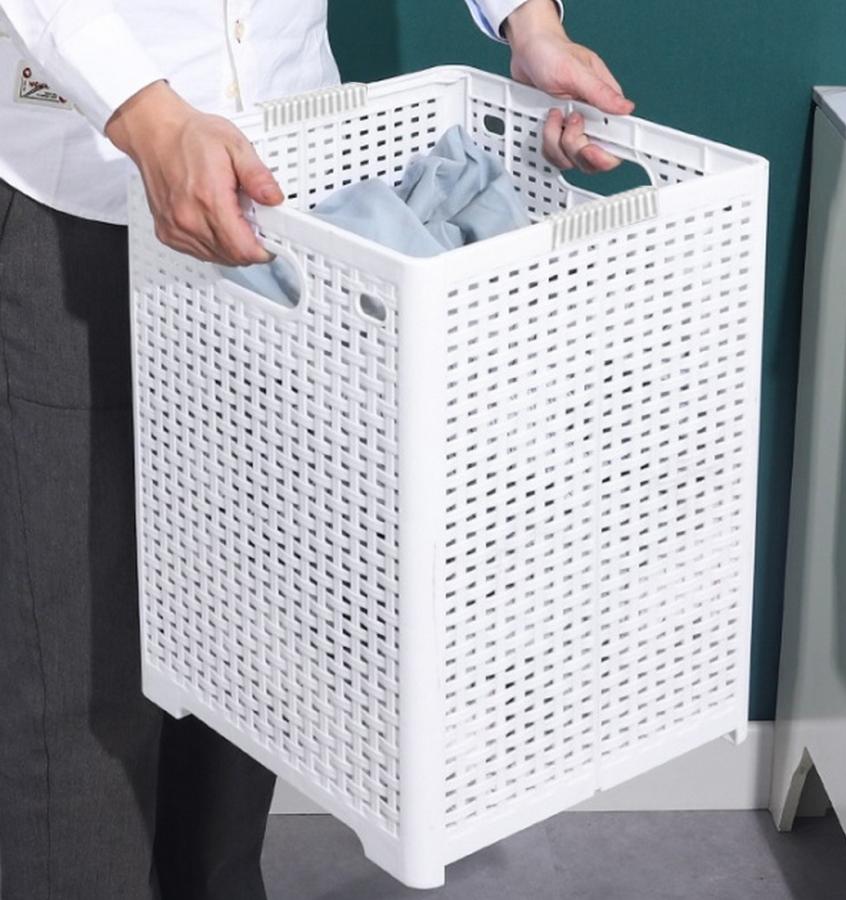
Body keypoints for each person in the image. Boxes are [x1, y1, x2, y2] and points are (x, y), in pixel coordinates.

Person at [0, 1, 633, 897]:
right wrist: (148, 114)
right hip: (85, 185)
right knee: (82, 687)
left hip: (285, 190)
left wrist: (529, 22)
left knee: (247, 643)